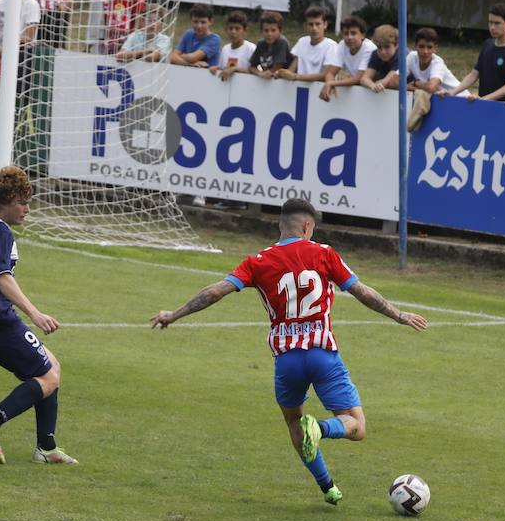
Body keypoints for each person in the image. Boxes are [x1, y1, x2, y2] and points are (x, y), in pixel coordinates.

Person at [152, 198, 426, 504]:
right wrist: (399, 315)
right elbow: (362, 292)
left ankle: (328, 487)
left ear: (280, 225)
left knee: (294, 422)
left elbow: (215, 291)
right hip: (322, 356)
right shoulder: (324, 253)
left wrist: (174, 314)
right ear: (307, 226)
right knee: (356, 426)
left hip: (287, 362)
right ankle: (321, 428)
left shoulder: (257, 260)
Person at [0, 166, 77, 466]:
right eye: (22, 202)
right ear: (5, 200)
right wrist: (35, 313)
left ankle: (46, 447)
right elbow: (2, 276)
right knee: (47, 376)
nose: (27, 209)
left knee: (51, 366)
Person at [442, 2, 505, 103]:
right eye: (490, 22)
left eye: (497, 23)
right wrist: (453, 92)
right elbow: (475, 73)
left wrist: (484, 99)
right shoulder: (487, 44)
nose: (492, 27)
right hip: (485, 106)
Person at [320, 15, 376, 101]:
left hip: (377, 88)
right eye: (346, 33)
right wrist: (329, 84)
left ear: (363, 35)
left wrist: (332, 83)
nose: (349, 37)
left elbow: (358, 78)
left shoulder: (369, 48)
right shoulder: (342, 45)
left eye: (353, 33)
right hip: (364, 89)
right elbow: (330, 73)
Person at [276, 5, 336, 83]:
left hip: (320, 90)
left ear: (325, 25)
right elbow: (292, 68)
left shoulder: (331, 46)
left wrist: (295, 76)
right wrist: (282, 74)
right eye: (311, 24)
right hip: (300, 88)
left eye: (318, 24)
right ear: (305, 26)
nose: (314, 28)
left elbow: (325, 75)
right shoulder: (302, 42)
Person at [170, 2, 219, 67]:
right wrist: (190, 64)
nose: (199, 26)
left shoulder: (214, 39)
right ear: (191, 21)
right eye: (195, 21)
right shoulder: (188, 34)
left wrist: (179, 57)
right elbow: (172, 57)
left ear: (211, 22)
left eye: (203, 22)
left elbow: (192, 58)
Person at [211, 10, 253, 81]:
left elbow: (257, 72)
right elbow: (223, 68)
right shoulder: (225, 49)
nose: (233, 32)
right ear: (226, 30)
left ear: (245, 31)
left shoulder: (251, 49)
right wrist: (216, 68)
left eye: (237, 29)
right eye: (230, 28)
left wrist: (235, 69)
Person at [250, 10, 291, 79]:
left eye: (273, 30)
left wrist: (266, 74)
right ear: (261, 31)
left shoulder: (282, 42)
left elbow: (277, 67)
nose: (269, 34)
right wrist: (260, 74)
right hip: (267, 79)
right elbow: (252, 67)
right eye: (266, 30)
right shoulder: (260, 44)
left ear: (280, 31)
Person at [360, 24, 400, 93]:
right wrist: (372, 85)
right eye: (379, 47)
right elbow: (364, 78)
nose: (383, 52)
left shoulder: (402, 55)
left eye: (387, 47)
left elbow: (387, 80)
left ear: (396, 45)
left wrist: (377, 84)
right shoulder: (375, 54)